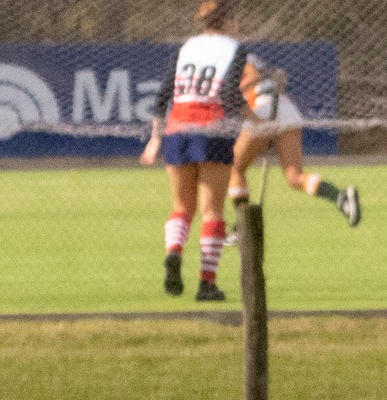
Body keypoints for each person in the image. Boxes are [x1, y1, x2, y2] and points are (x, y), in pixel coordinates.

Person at [141, 0, 247, 304]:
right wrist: (252, 119)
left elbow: (163, 95)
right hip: (211, 130)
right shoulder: (234, 49)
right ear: (226, 20)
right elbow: (228, 94)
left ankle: (174, 253)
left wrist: (154, 139)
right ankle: (207, 284)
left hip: (177, 131)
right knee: (212, 211)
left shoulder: (186, 47)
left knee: (181, 207)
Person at [229, 50, 360, 227]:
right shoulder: (237, 54)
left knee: (235, 168)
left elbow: (253, 76)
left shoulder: (233, 54)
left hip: (263, 108)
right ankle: (340, 197)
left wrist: (233, 91)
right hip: (285, 109)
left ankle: (241, 227)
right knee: (294, 177)